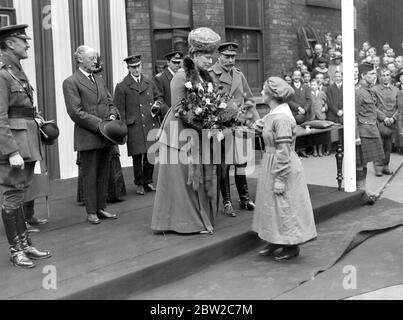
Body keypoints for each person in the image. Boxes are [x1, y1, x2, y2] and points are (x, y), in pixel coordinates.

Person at [151, 27, 221, 234]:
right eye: (207, 57)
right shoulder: (180, 77)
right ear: (196, 55)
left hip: (196, 131)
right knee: (182, 180)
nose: (210, 61)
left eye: (212, 57)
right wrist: (205, 122)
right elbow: (179, 109)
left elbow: (212, 101)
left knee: (193, 179)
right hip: (180, 134)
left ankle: (197, 218)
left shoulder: (203, 76)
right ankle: (184, 222)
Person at [0, 24, 51, 268]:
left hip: (27, 140)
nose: (28, 45)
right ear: (10, 43)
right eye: (23, 41)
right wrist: (11, 152)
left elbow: (23, 106)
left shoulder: (15, 70)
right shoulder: (1, 73)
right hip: (16, 146)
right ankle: (15, 250)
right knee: (12, 197)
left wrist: (37, 118)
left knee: (20, 195)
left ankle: (25, 244)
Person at [251, 77, 317, 261]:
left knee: (285, 204)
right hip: (271, 161)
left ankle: (291, 245)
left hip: (282, 164)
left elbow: (284, 151)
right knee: (271, 204)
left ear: (272, 95)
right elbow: (262, 125)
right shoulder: (274, 113)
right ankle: (275, 239)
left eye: (264, 91)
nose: (262, 94)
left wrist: (280, 178)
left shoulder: (281, 118)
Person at [63, 45, 120, 225]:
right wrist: (100, 125)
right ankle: (91, 212)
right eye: (91, 58)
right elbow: (75, 112)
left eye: (96, 58)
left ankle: (101, 208)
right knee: (90, 174)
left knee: (103, 173)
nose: (95, 61)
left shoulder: (99, 79)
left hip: (106, 134)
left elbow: (110, 102)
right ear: (80, 59)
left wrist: (112, 116)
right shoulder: (71, 82)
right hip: (89, 134)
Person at [208, 42, 258, 217]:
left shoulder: (238, 75)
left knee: (241, 164)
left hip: (240, 126)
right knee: (223, 166)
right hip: (221, 128)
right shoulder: (210, 75)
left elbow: (249, 100)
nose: (231, 60)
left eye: (233, 57)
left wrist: (255, 121)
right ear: (219, 56)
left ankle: (244, 198)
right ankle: (227, 201)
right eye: (227, 57)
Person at [114, 54, 167, 196]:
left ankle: (148, 180)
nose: (136, 69)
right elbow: (120, 109)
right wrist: (123, 127)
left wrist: (157, 104)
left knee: (150, 153)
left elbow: (159, 98)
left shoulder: (149, 82)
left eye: (138, 66)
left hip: (150, 122)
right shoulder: (122, 86)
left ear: (141, 65)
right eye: (133, 67)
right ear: (128, 68)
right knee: (137, 156)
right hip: (134, 125)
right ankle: (139, 183)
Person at [355, 62, 385, 205]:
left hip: (371, 130)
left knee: (365, 162)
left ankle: (364, 190)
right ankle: (360, 191)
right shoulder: (358, 92)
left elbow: (372, 109)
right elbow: (353, 115)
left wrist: (384, 117)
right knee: (360, 162)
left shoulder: (369, 90)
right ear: (363, 75)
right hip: (363, 132)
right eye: (372, 74)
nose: (375, 76)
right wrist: (355, 136)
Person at [372, 69, 399, 176]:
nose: (385, 77)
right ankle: (378, 167)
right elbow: (373, 106)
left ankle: (386, 166)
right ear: (380, 77)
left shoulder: (396, 90)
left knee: (388, 146)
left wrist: (393, 118)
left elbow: (400, 107)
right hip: (379, 122)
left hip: (392, 122)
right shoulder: (375, 89)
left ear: (390, 77)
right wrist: (384, 118)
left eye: (387, 75)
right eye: (383, 75)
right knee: (379, 145)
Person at [309, 78, 328, 157]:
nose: (313, 86)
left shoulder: (322, 93)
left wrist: (325, 108)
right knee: (313, 134)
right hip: (312, 115)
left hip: (320, 115)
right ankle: (315, 150)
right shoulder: (309, 94)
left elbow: (326, 102)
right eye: (312, 85)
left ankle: (320, 150)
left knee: (320, 134)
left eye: (314, 85)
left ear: (318, 86)